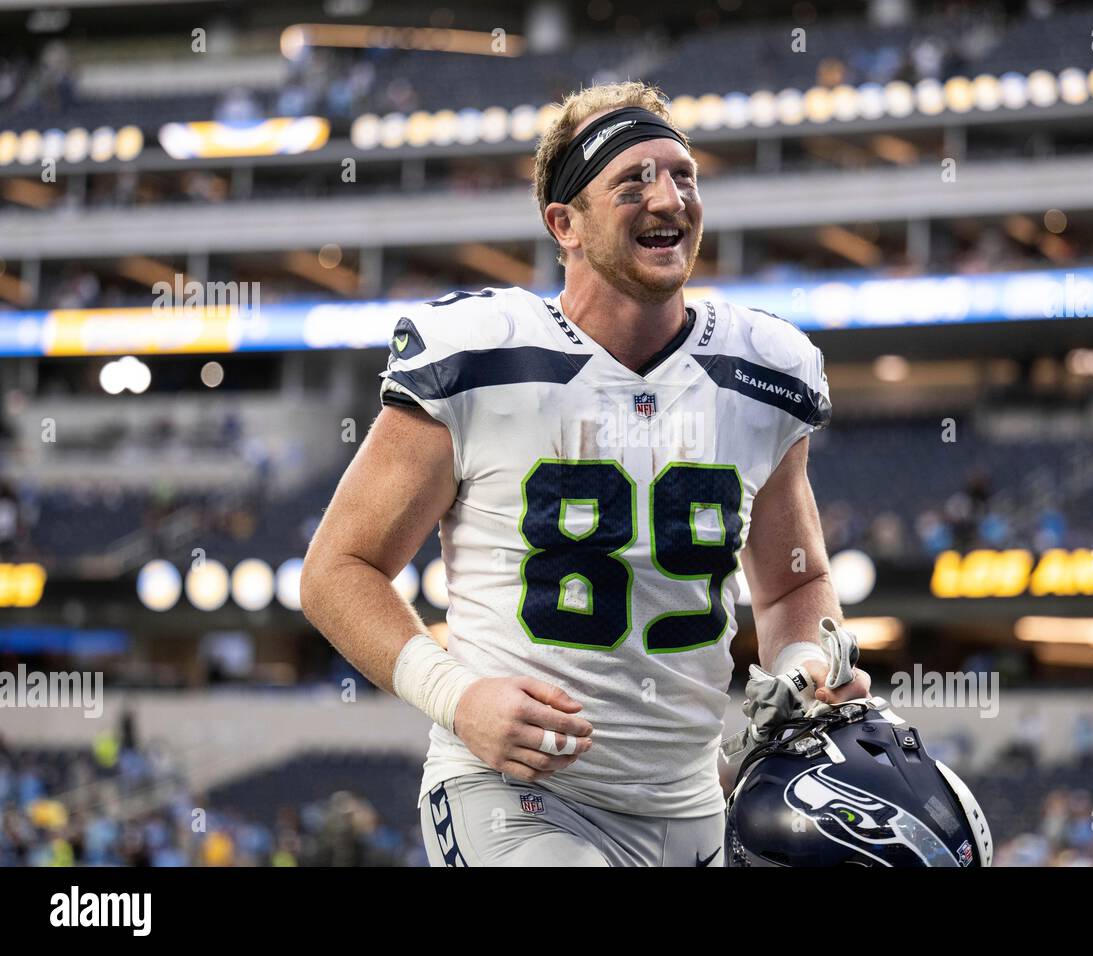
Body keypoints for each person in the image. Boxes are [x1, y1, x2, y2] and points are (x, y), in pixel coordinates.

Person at [301, 81, 870, 867]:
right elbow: (338, 570)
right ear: (563, 223)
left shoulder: (760, 373)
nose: (667, 197)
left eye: (682, 174)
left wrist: (804, 664)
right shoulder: (481, 356)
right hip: (514, 794)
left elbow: (791, 587)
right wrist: (458, 699)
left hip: (695, 803)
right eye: (631, 180)